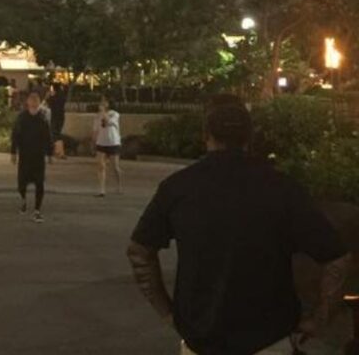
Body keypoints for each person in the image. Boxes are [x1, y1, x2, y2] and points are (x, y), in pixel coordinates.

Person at [127, 96, 351, 355]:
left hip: (200, 338)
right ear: (250, 136)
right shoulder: (282, 188)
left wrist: (167, 312)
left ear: (205, 135)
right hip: (270, 338)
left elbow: (139, 251)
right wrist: (320, 318)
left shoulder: (178, 188)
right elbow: (336, 258)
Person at [10, 91, 52, 223]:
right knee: (22, 183)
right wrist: (13, 152)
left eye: (36, 102)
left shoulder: (42, 118)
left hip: (38, 156)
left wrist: (49, 154)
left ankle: (37, 210)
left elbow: (48, 137)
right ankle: (23, 200)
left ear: (39, 103)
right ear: (28, 103)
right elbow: (15, 135)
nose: (34, 104)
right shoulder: (22, 118)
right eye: (32, 101)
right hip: (25, 155)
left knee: (39, 183)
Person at [95, 97, 122, 195]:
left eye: (104, 102)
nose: (102, 103)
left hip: (113, 142)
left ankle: (118, 186)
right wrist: (94, 139)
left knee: (115, 166)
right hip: (101, 142)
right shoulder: (98, 115)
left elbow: (107, 122)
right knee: (100, 166)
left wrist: (103, 112)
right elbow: (96, 128)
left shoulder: (114, 114)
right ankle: (102, 189)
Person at [48, 82, 67, 159]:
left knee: (55, 134)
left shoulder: (53, 97)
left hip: (55, 117)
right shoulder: (62, 96)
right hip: (61, 116)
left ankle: (59, 152)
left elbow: (49, 103)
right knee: (57, 134)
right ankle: (59, 152)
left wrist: (50, 95)